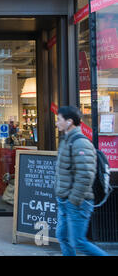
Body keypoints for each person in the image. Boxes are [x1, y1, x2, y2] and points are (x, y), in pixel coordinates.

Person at [55, 106, 108, 256]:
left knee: (78, 242)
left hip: (76, 202)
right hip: (65, 200)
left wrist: (73, 200)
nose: (56, 123)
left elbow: (85, 175)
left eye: (59, 119)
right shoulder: (66, 140)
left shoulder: (80, 143)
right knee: (63, 237)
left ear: (70, 121)